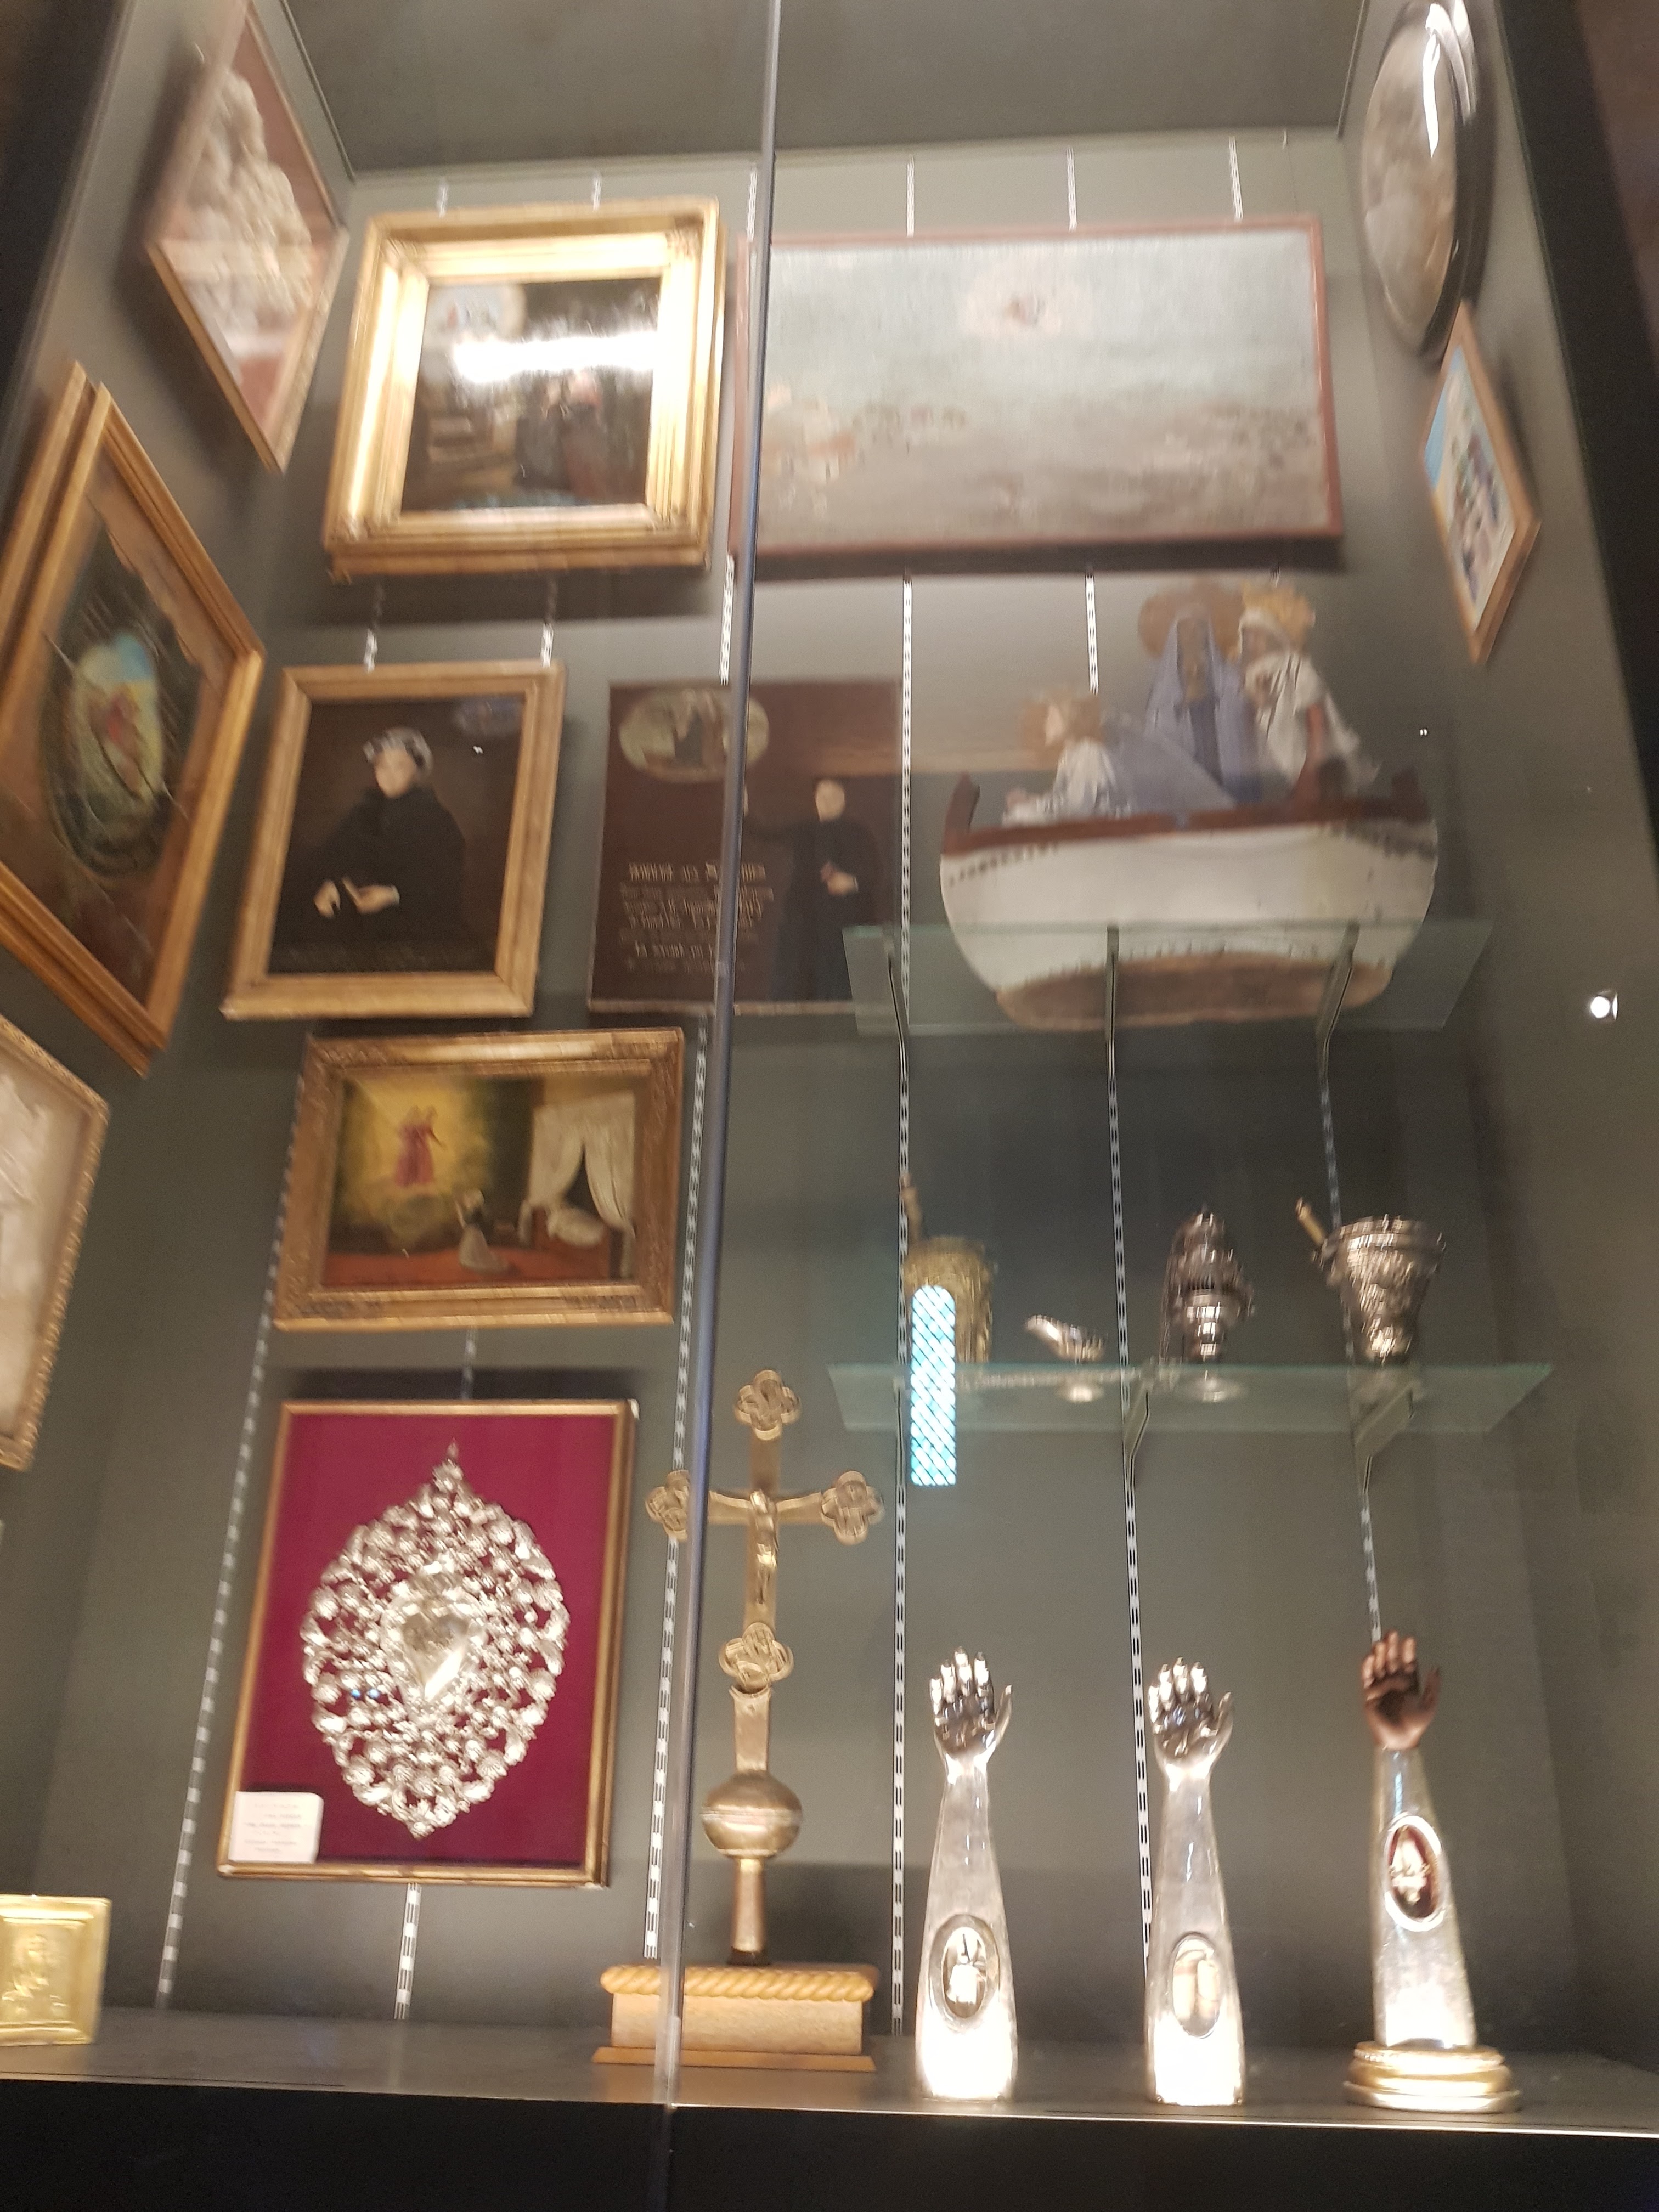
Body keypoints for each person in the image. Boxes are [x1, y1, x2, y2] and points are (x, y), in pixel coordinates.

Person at [285, 726, 472, 962]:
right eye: (382, 766)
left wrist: (393, 895)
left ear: (417, 771)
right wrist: (331, 882)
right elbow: (333, 854)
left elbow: (445, 881)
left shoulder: (436, 820)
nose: (389, 775)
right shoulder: (363, 813)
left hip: (412, 931)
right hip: (353, 923)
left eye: (399, 766)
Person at [747, 776, 882, 1002]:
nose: (827, 802)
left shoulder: (859, 833)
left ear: (843, 800)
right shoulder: (804, 830)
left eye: (833, 797)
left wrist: (852, 882)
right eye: (822, 797)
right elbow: (765, 835)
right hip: (807, 923)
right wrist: (744, 812)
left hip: (844, 926)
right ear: (815, 799)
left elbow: (876, 873)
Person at [1003, 691, 1229, 825]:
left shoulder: (1090, 753)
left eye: (1051, 713)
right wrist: (1031, 802)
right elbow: (1067, 803)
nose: (1046, 721)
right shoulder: (1071, 757)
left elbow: (1076, 812)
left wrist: (1029, 810)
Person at [1238, 590, 1377, 800]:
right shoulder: (1242, 678)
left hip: (1301, 765)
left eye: (1259, 634)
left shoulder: (1296, 667)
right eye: (1248, 635)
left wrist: (1311, 770)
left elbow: (1317, 718)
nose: (1253, 641)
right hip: (1263, 774)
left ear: (1272, 635)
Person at [1142, 605, 1261, 800]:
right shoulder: (1165, 685)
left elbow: (1240, 706)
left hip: (1222, 762)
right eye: (1186, 628)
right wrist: (1183, 705)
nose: (1193, 634)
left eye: (1198, 627)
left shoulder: (1226, 676)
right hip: (1188, 781)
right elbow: (1156, 730)